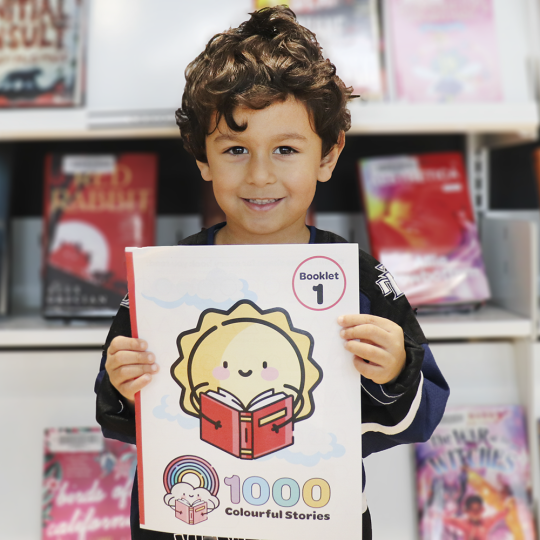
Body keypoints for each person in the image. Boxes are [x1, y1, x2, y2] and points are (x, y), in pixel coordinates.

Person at [94, 6, 449, 540]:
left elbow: (420, 413)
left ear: (328, 156)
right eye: (235, 149)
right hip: (190, 515)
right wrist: (124, 382)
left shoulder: (357, 277)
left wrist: (395, 367)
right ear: (203, 160)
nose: (260, 175)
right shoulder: (166, 279)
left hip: (314, 517)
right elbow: (118, 411)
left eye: (286, 149)